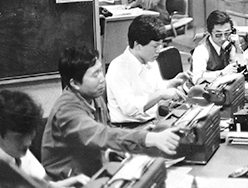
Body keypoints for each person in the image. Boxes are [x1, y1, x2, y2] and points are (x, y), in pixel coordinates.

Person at [41, 46, 182, 180]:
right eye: (95, 75)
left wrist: (138, 136)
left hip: (92, 169)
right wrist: (147, 138)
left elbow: (107, 129)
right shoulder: (66, 110)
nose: (102, 78)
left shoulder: (95, 96)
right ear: (75, 83)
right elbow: (100, 134)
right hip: (71, 180)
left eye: (100, 71)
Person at [106, 15, 190, 125]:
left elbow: (154, 90)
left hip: (151, 122)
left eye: (160, 45)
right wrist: (161, 94)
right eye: (155, 46)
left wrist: (171, 83)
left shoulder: (150, 61)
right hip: (128, 129)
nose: (159, 50)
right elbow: (130, 109)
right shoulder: (118, 67)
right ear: (138, 45)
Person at [0, 90, 90, 187]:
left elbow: (42, 185)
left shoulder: (16, 152)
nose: (28, 142)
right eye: (19, 137)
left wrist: (66, 183)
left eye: (30, 133)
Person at [191, 10, 244, 84]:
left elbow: (239, 67)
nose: (223, 38)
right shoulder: (202, 50)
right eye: (218, 34)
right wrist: (221, 73)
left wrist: (238, 48)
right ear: (209, 32)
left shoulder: (228, 43)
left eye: (227, 33)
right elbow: (197, 78)